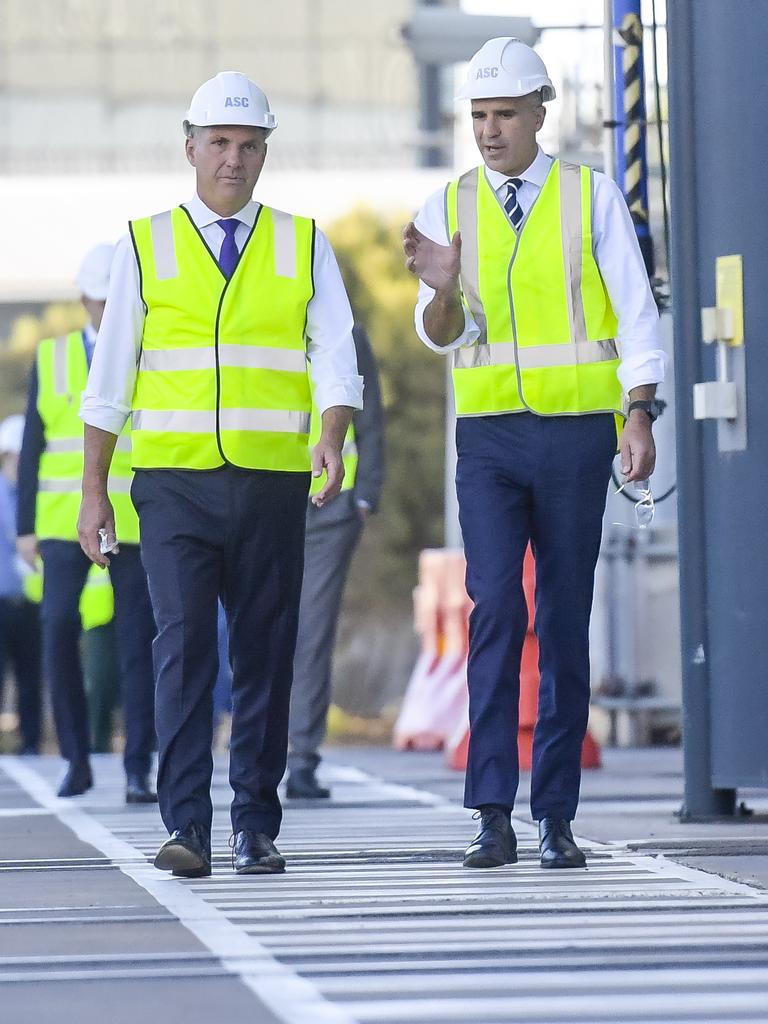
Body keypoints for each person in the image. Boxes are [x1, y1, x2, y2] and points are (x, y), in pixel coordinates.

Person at [77, 71, 362, 878]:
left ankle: (255, 825)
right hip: (171, 484)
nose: (233, 160)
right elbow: (110, 381)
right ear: (190, 146)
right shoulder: (144, 243)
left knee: (265, 653)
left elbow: (335, 354)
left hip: (272, 480)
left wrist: (333, 437)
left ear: (265, 151)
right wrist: (94, 491)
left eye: (249, 146)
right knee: (184, 647)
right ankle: (188, 826)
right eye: (220, 144)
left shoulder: (303, 243)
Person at [403, 38, 665, 870]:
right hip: (489, 441)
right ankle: (491, 814)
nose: (488, 131)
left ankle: (555, 815)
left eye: (504, 115)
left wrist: (639, 413)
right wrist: (442, 286)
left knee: (560, 619)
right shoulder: (450, 206)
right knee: (496, 614)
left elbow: (635, 310)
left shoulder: (589, 198)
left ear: (538, 114)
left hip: (577, 435)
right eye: (478, 117)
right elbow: (437, 335)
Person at [16, 245, 157, 802]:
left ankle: (138, 767)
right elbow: (32, 447)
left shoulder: (149, 354)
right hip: (59, 524)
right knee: (55, 630)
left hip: (134, 522)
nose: (111, 310)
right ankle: (75, 758)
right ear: (84, 301)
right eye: (102, 301)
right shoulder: (50, 359)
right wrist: (25, 526)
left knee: (137, 641)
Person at [287, 324, 384, 799]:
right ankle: (257, 749)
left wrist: (366, 494)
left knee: (312, 631)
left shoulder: (346, 333)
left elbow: (371, 418)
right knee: (258, 629)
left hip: (331, 508)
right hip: (266, 499)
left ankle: (301, 757)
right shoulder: (247, 320)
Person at [0, 414, 42, 755]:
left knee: (31, 678)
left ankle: (31, 743)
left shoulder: (36, 496)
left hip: (30, 602)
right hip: (1, 600)